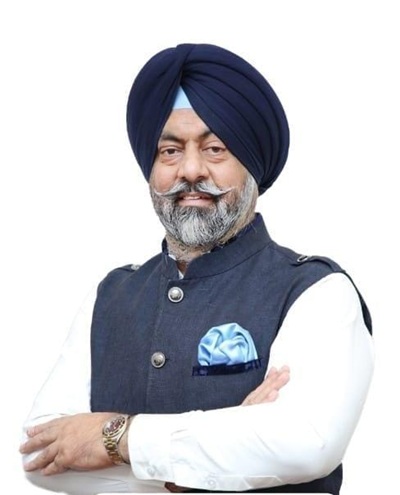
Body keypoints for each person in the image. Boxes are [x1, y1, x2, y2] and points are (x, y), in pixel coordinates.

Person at [20, 43, 374, 495]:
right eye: (170, 150)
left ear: (251, 165)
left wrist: (116, 438)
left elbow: (306, 444)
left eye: (215, 148)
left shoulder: (316, 291)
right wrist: (224, 453)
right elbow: (38, 456)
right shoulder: (110, 296)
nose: (190, 169)